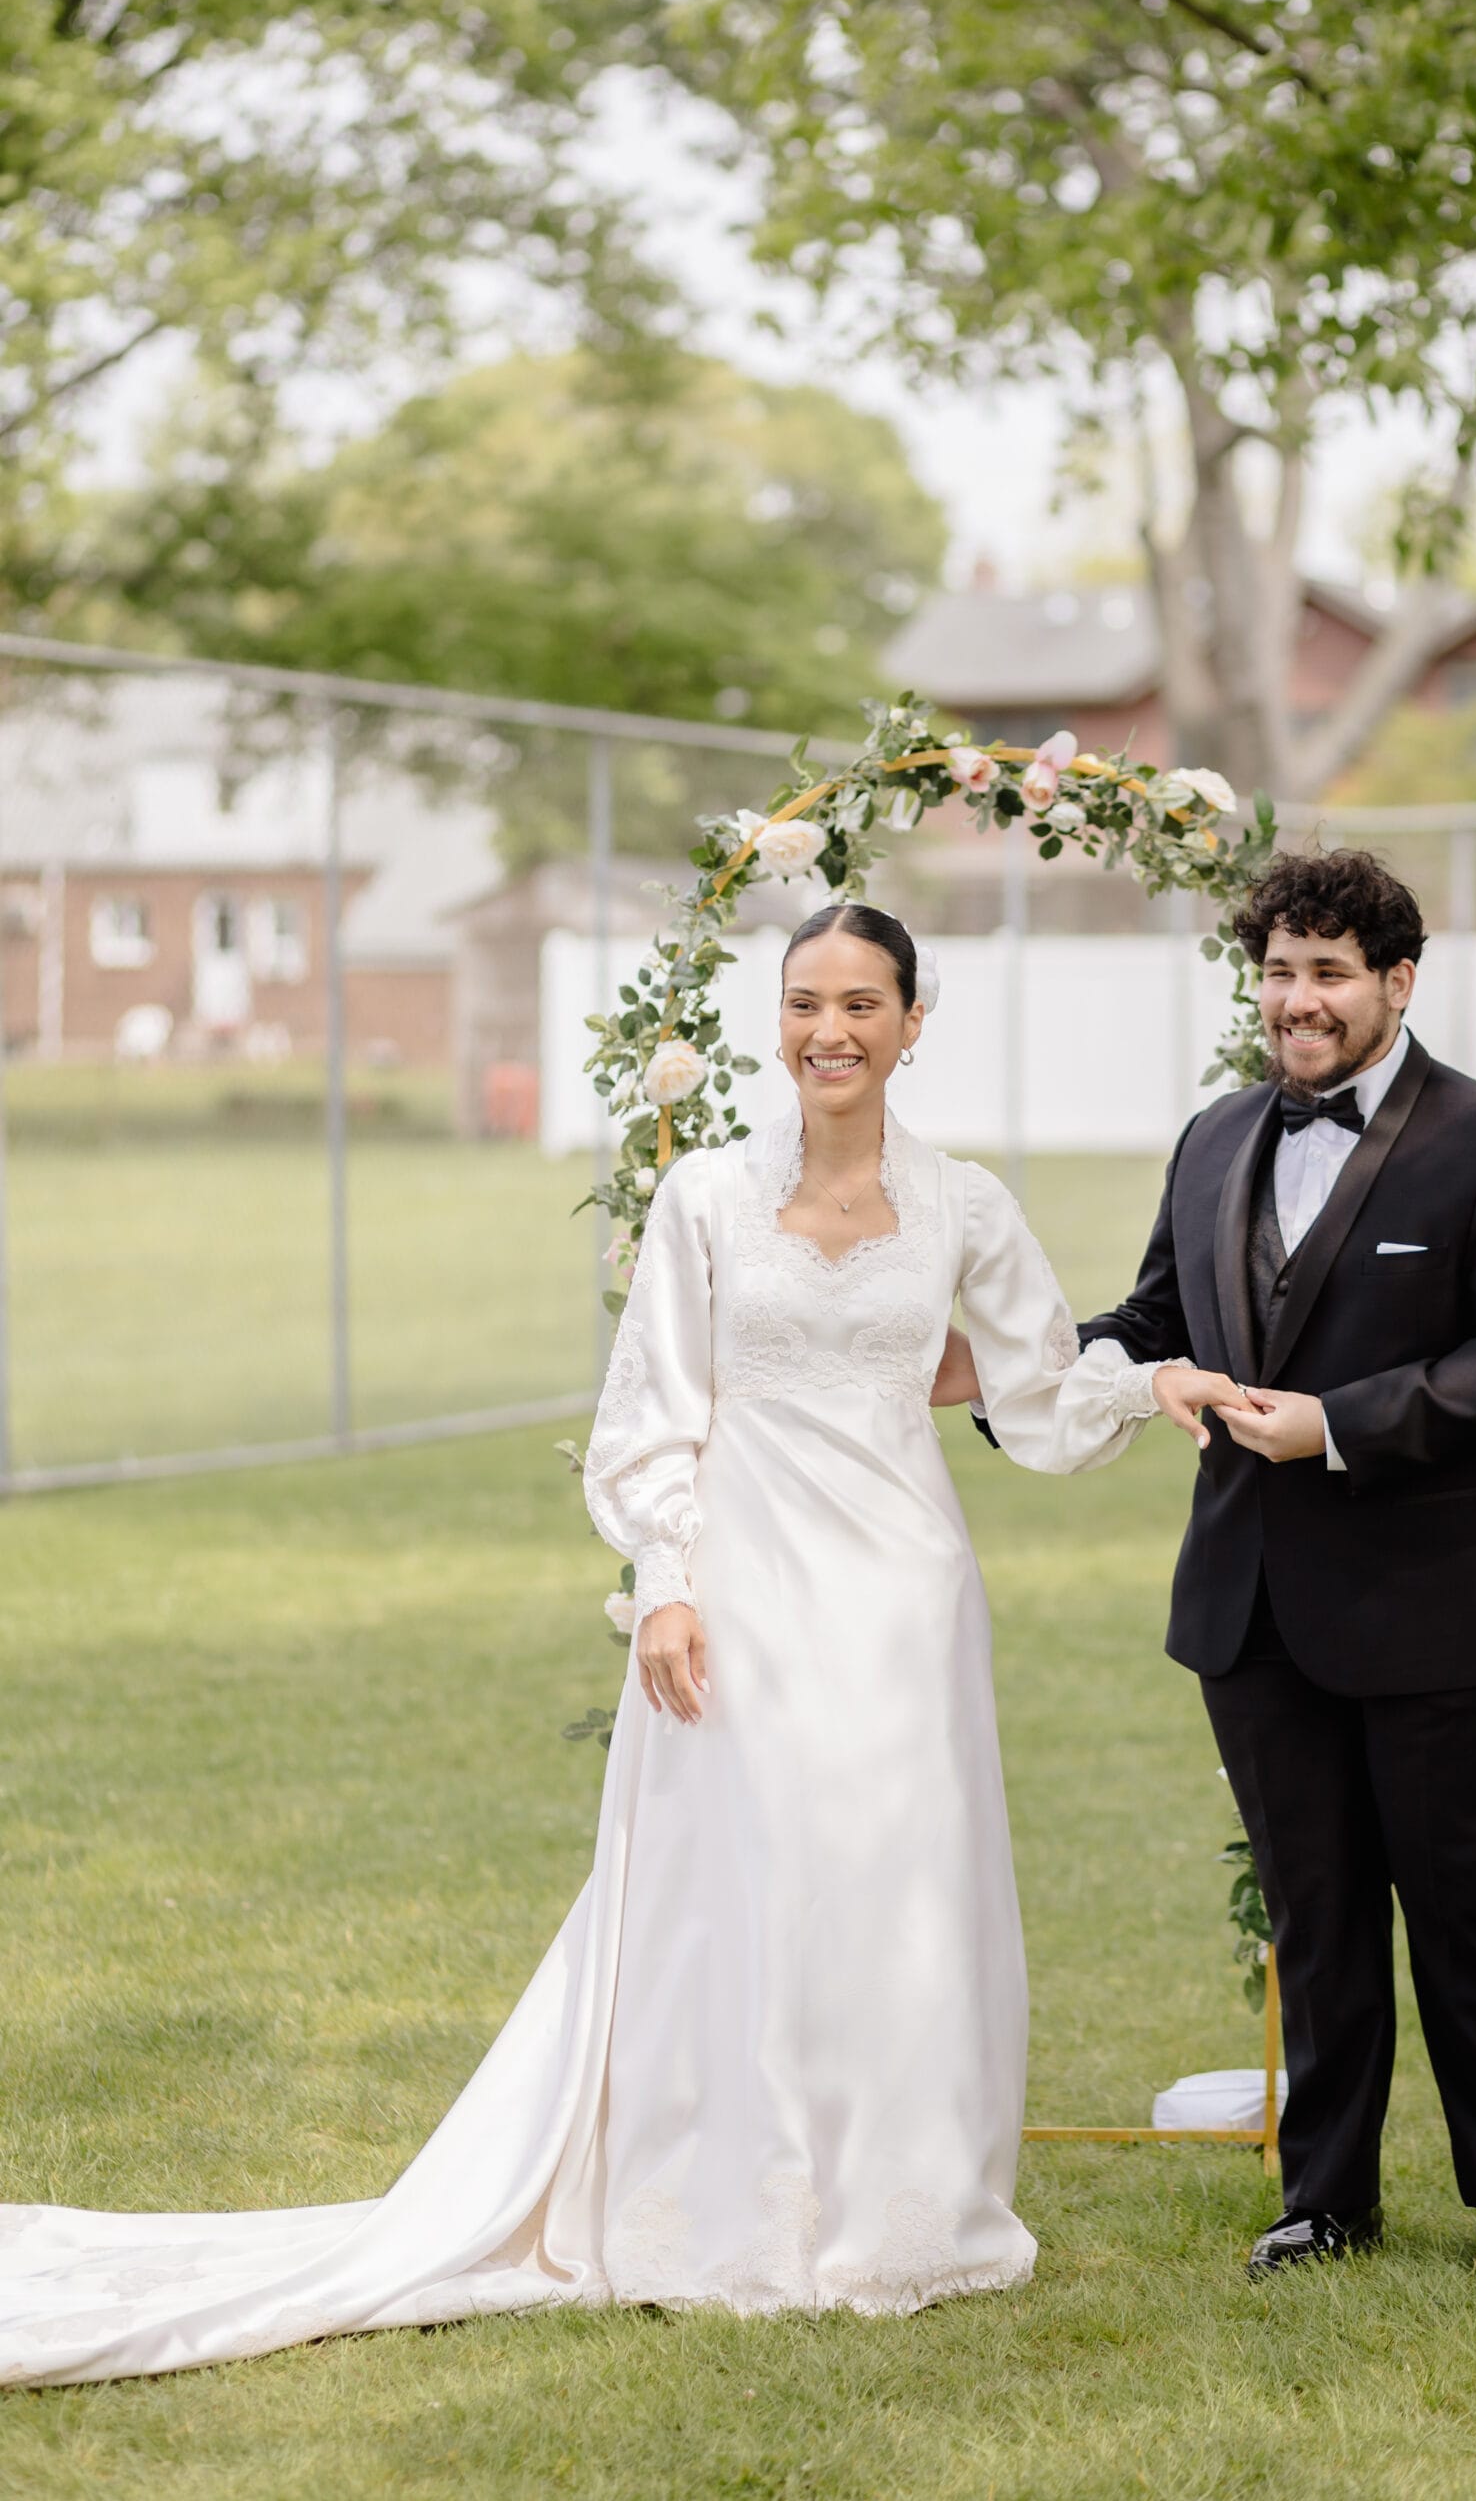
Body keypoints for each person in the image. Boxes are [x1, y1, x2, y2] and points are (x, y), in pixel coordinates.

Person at [0, 901, 1236, 2386]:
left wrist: (1149, 1383)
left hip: (905, 1597)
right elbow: (651, 1413)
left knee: (901, 1879)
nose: (829, 1031)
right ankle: (734, 2202)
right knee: (747, 1880)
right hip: (744, 1584)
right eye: (803, 1002)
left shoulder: (966, 1204)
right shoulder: (707, 1197)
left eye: (860, 1003)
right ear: (775, 1022)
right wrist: (666, 1582)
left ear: (916, 1023)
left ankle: (904, 2211)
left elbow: (1036, 1391)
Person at [944, 848, 1476, 2284]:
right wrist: (1011, 1378)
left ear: (1396, 985)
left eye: (1328, 976)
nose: (1297, 1002)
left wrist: (1338, 1426)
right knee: (1315, 1910)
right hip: (1254, 1607)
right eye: (1279, 973)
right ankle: (1328, 2198)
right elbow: (1159, 1314)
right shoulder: (1218, 1138)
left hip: (1450, 1605)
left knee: (1470, 1905)